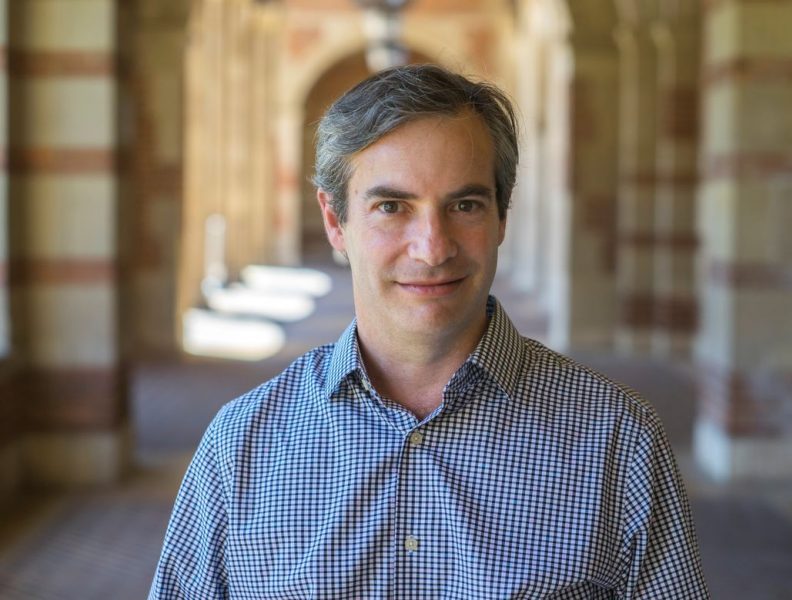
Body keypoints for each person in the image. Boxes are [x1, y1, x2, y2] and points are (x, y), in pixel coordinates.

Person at [149, 64, 708, 599]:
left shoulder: (618, 442)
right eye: (392, 207)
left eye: (464, 205)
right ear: (334, 221)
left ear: (501, 219)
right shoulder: (241, 444)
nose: (433, 248)